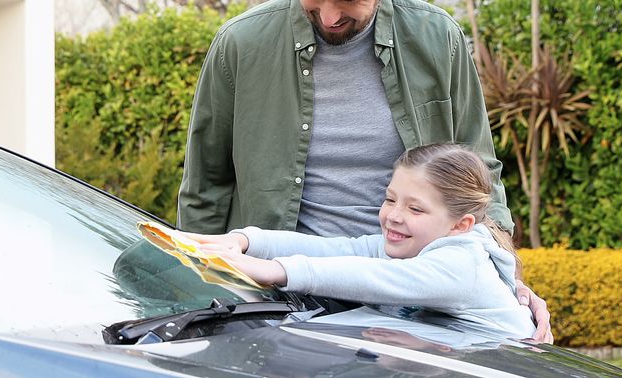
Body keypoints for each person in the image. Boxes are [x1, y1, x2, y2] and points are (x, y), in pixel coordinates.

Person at [176, 0, 551, 341]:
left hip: (413, 302)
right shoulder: (241, 45)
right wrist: (195, 291)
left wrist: (506, 278)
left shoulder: (438, 40)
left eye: (349, 1)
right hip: (277, 304)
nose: (329, 17)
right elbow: (206, 188)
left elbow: (478, 175)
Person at [183, 144, 536, 339]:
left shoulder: (463, 265)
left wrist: (276, 271)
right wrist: (247, 240)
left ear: (461, 224)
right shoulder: (414, 245)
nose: (394, 215)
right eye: (390, 199)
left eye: (416, 208)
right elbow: (340, 249)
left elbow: (374, 278)